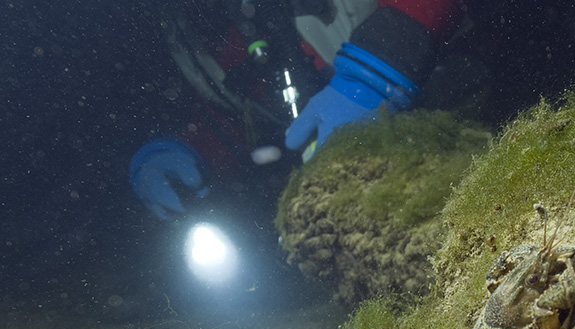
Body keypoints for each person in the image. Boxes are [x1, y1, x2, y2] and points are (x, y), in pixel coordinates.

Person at [129, 0, 462, 220]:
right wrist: (192, 149)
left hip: (466, 97)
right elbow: (242, 108)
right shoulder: (230, 27)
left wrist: (378, 71)